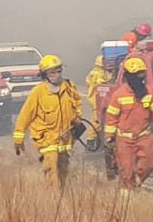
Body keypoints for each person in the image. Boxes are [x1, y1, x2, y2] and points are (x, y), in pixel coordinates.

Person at [14, 55, 84, 190]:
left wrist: (77, 117)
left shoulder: (69, 87)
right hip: (46, 137)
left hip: (65, 138)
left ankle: (61, 194)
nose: (57, 75)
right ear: (44, 74)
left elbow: (77, 103)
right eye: (53, 72)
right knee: (51, 165)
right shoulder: (38, 92)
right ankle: (54, 197)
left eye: (59, 71)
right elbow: (26, 114)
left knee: (63, 168)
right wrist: (18, 135)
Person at [104, 57, 153, 193]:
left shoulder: (149, 93)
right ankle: (126, 198)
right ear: (129, 76)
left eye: (142, 74)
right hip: (124, 139)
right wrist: (109, 137)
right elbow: (111, 118)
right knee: (126, 170)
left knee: (149, 164)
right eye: (136, 75)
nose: (140, 78)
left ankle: (135, 183)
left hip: (144, 137)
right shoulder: (119, 95)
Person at [83, 55, 111, 144]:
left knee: (99, 120)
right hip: (95, 100)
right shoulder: (96, 73)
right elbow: (101, 82)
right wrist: (111, 76)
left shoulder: (98, 72)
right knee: (96, 121)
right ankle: (90, 141)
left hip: (96, 99)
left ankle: (97, 141)